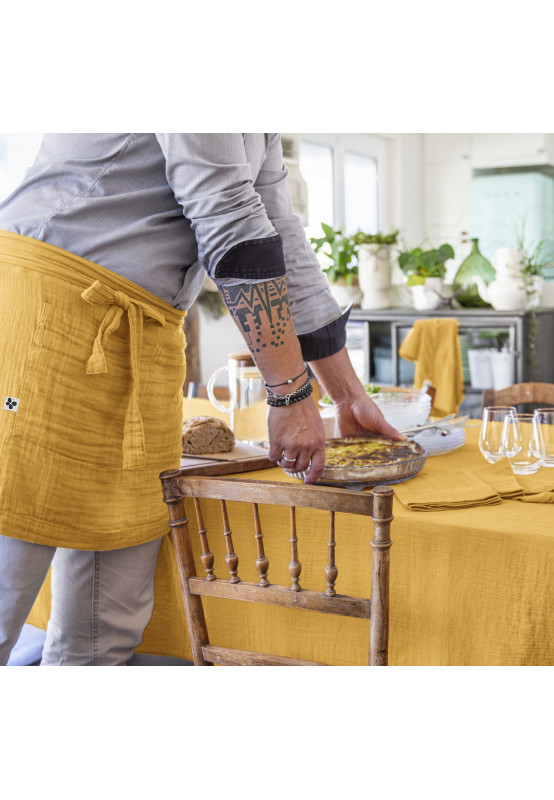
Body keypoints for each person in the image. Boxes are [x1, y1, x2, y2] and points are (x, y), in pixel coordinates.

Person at [0, 133, 401, 666]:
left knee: (105, 629)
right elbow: (228, 219)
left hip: (146, 336)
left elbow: (281, 234)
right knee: (7, 591)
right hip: (49, 316)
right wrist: (289, 390)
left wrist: (346, 394)